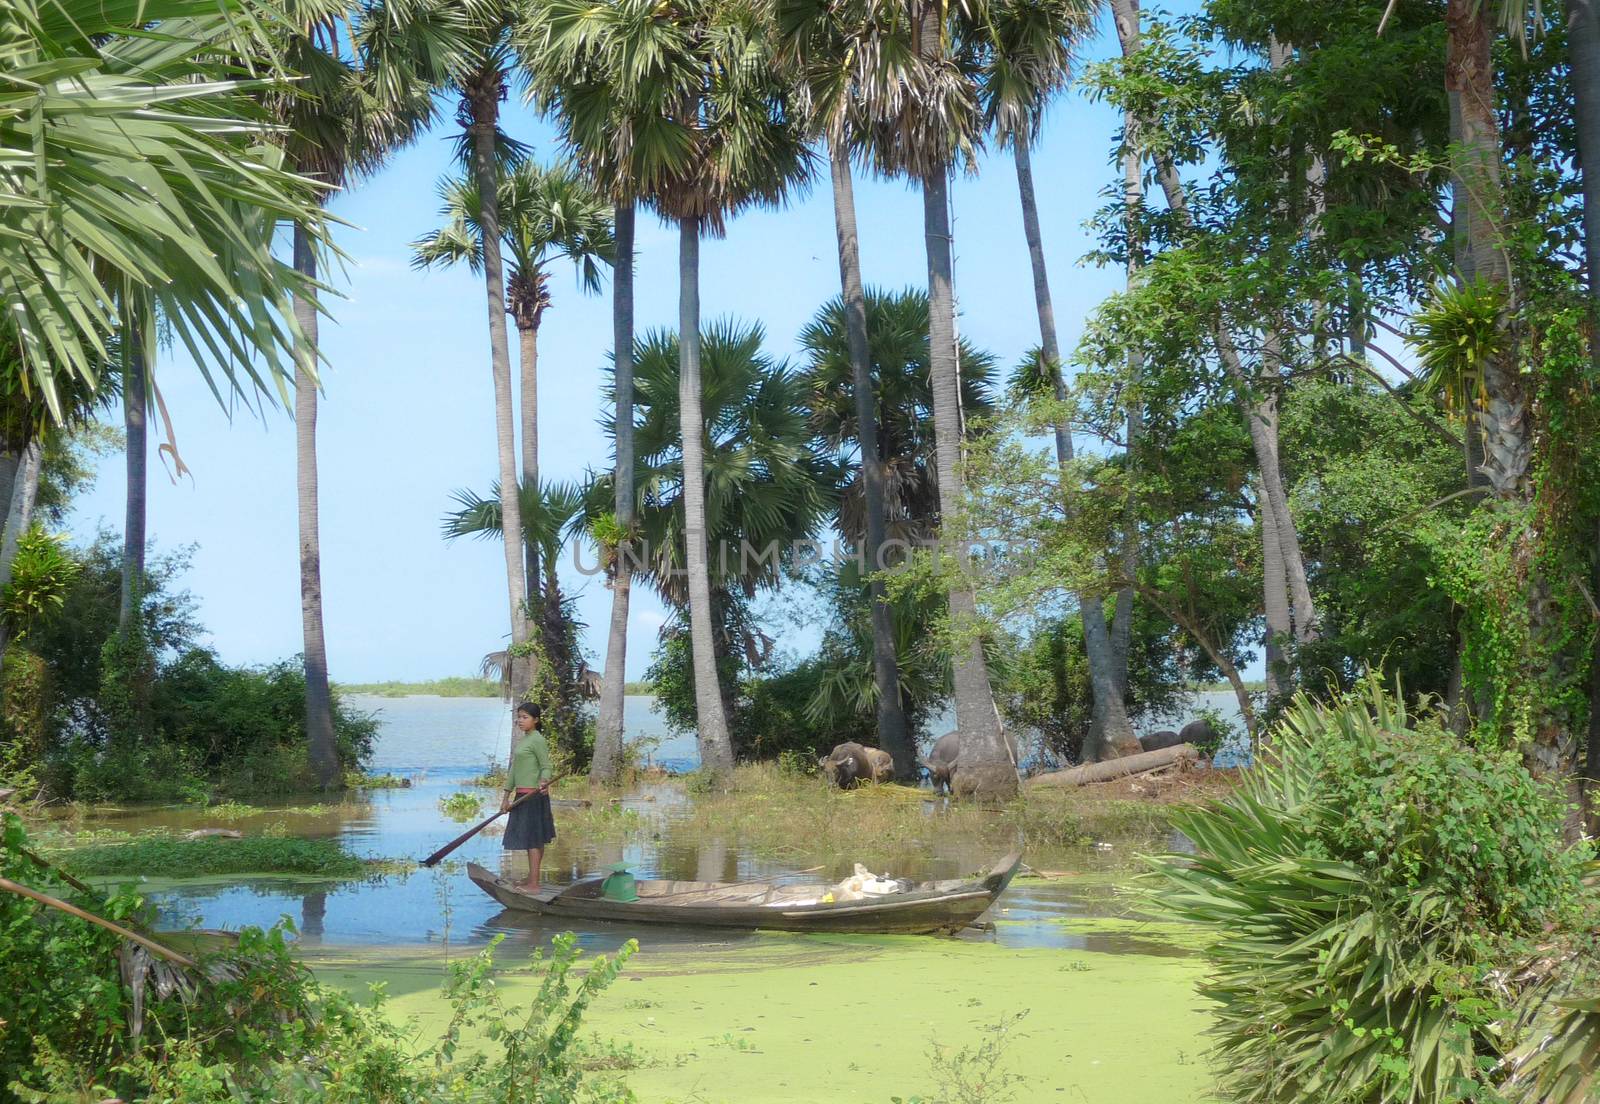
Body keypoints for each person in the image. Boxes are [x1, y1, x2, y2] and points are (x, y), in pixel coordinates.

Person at [501, 701, 556, 890]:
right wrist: (505, 797)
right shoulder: (524, 740)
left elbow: (546, 766)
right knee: (529, 839)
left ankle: (534, 884)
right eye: (519, 717)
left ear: (536, 720)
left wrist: (543, 781)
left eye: (525, 717)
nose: (520, 721)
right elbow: (514, 771)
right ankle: (532, 879)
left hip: (533, 795)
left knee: (534, 839)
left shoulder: (537, 739)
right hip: (521, 795)